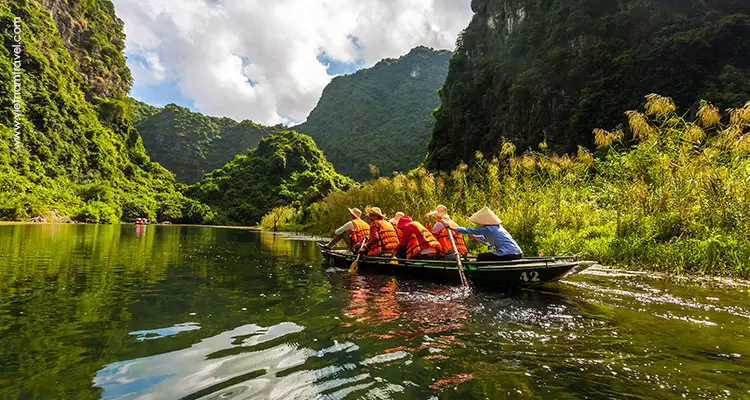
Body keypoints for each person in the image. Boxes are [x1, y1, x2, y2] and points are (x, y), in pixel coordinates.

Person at [450, 207, 522, 261]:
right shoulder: (498, 227)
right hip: (518, 253)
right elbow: (487, 240)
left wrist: (452, 228)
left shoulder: (488, 228)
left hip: (509, 254)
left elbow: (469, 230)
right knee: (486, 256)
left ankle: (479, 275)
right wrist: (475, 237)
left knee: (481, 257)